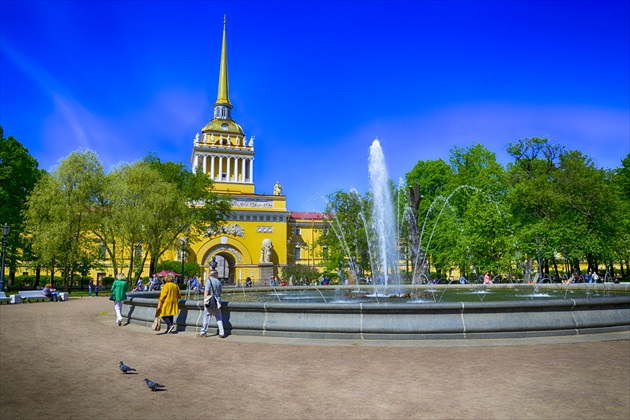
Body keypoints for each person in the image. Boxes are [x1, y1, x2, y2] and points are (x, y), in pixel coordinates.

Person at [198, 270, 225, 338]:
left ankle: (203, 332)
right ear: (216, 275)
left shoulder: (208, 281)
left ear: (210, 275)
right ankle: (221, 332)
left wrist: (205, 301)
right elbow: (220, 292)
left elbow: (206, 292)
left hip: (210, 301)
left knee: (207, 316)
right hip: (218, 301)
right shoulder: (218, 281)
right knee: (219, 317)